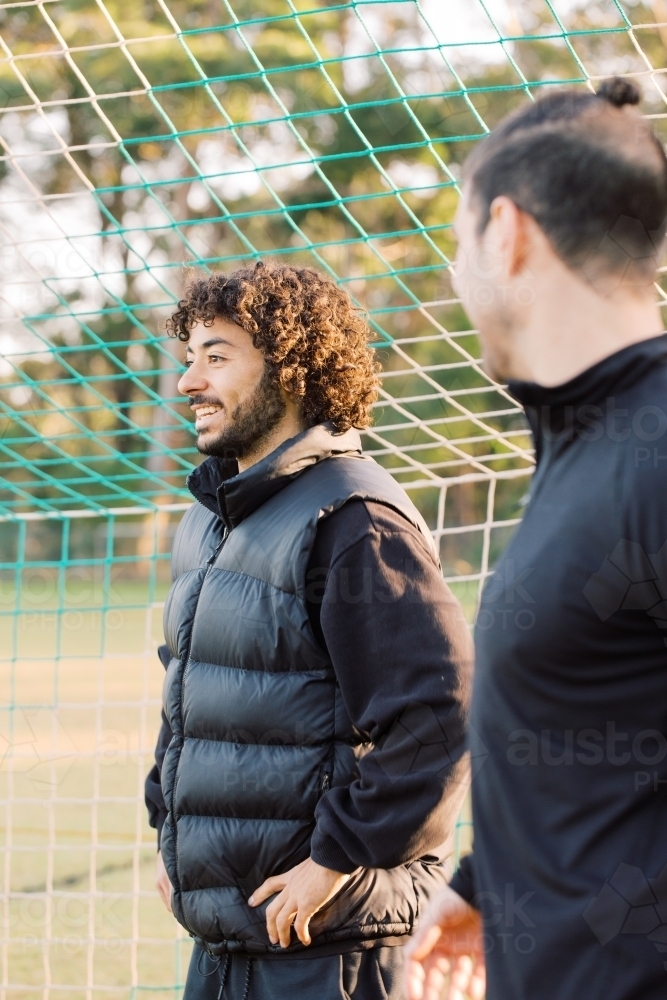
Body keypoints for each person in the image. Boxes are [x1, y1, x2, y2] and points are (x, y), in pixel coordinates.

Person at [144, 260, 473, 1000]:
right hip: (231, 941)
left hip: (331, 946)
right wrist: (171, 834)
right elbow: (186, 698)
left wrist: (333, 862)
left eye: (216, 357)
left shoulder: (354, 520)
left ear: (290, 369)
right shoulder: (210, 521)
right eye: (189, 357)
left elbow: (438, 718)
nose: (188, 382)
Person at [404, 76, 667, 1000]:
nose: (453, 279)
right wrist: (484, 884)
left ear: (506, 233)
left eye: (457, 245)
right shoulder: (584, 442)